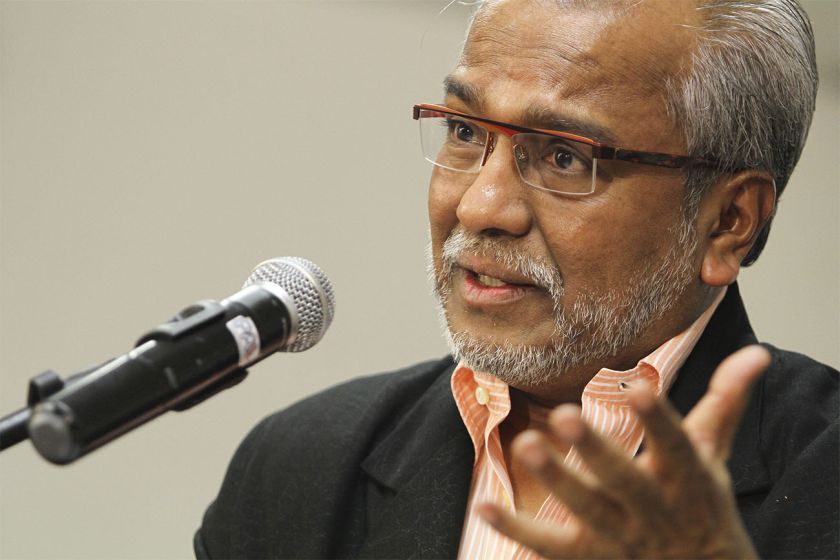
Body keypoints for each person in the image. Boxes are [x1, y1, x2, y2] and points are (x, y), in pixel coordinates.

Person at [194, 0, 838, 558]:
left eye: (565, 156)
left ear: (728, 221)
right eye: (464, 130)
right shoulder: (300, 470)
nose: (480, 206)